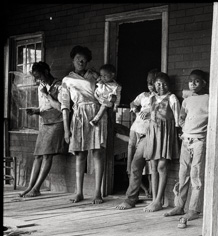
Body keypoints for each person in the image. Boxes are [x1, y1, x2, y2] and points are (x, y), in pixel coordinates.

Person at [58, 45, 107, 204]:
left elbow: (106, 92)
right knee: (80, 154)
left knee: (97, 153)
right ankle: (79, 192)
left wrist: (99, 78)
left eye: (84, 60)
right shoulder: (67, 80)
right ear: (73, 59)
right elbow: (65, 106)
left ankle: (98, 193)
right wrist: (66, 130)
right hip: (78, 115)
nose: (81, 61)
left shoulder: (94, 76)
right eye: (78, 58)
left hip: (96, 114)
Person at [163, 70, 209, 229]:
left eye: (197, 81)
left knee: (195, 175)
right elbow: (181, 116)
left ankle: (193, 209)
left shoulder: (209, 99)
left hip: (199, 141)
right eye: (190, 81)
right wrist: (183, 124)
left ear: (204, 83)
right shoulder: (187, 100)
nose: (193, 84)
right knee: (183, 174)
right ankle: (179, 206)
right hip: (186, 140)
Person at [19, 62, 68, 197]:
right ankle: (30, 187)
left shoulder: (59, 85)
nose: (37, 79)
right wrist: (35, 111)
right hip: (45, 122)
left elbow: (60, 107)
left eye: (39, 76)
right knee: (38, 155)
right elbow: (44, 107)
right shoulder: (41, 85)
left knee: (47, 155)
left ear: (46, 71)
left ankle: (36, 188)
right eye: (35, 77)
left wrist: (47, 95)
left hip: (57, 122)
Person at [115, 69, 158, 210]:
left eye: (153, 82)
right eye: (148, 82)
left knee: (137, 164)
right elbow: (133, 103)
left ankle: (132, 199)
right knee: (131, 167)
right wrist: (135, 110)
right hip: (135, 130)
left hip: (147, 134)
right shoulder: (143, 96)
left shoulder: (161, 99)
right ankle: (132, 198)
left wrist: (151, 112)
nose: (150, 85)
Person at [143, 72, 181, 212]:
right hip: (153, 133)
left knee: (162, 166)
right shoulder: (152, 98)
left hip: (166, 133)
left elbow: (177, 118)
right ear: (154, 85)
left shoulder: (172, 98)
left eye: (165, 84)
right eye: (158, 84)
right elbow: (148, 113)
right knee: (153, 166)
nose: (161, 87)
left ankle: (159, 200)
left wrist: (178, 133)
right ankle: (154, 200)